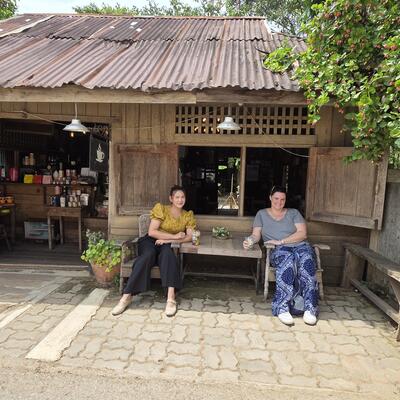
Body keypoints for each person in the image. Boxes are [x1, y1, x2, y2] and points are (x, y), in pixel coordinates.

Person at [112, 185, 196, 317]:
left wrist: (169, 241)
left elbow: (190, 237)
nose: (180, 200)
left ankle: (171, 298)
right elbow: (152, 232)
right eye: (177, 197)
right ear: (171, 198)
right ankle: (126, 297)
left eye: (182, 197)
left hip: (166, 243)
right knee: (148, 255)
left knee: (168, 255)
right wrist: (174, 236)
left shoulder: (187, 215)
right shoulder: (161, 209)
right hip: (150, 241)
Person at [243, 186, 319, 326]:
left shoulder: (294, 213)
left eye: (282, 199)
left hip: (300, 246)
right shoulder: (261, 214)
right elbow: (256, 235)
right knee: (287, 262)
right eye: (276, 198)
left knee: (307, 261)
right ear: (270, 198)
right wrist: (250, 241)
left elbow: (302, 234)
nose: (279, 202)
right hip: (278, 250)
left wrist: (282, 241)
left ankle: (310, 309)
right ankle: (282, 308)